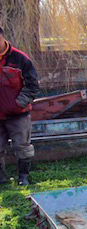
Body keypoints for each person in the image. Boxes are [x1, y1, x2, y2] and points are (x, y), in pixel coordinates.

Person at [0, 26, 39, 186]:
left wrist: (18, 104)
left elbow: (32, 85)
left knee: (22, 147)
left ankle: (23, 177)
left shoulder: (20, 59)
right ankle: (1, 180)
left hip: (18, 114)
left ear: (2, 38)